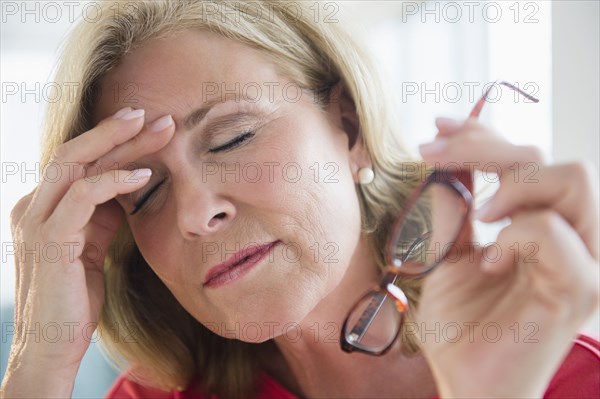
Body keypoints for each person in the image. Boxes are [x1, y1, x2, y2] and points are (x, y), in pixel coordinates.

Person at [2, 1, 598, 398]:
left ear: (350, 125)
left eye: (234, 137)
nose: (193, 214)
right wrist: (39, 367)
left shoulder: (568, 375)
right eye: (148, 190)